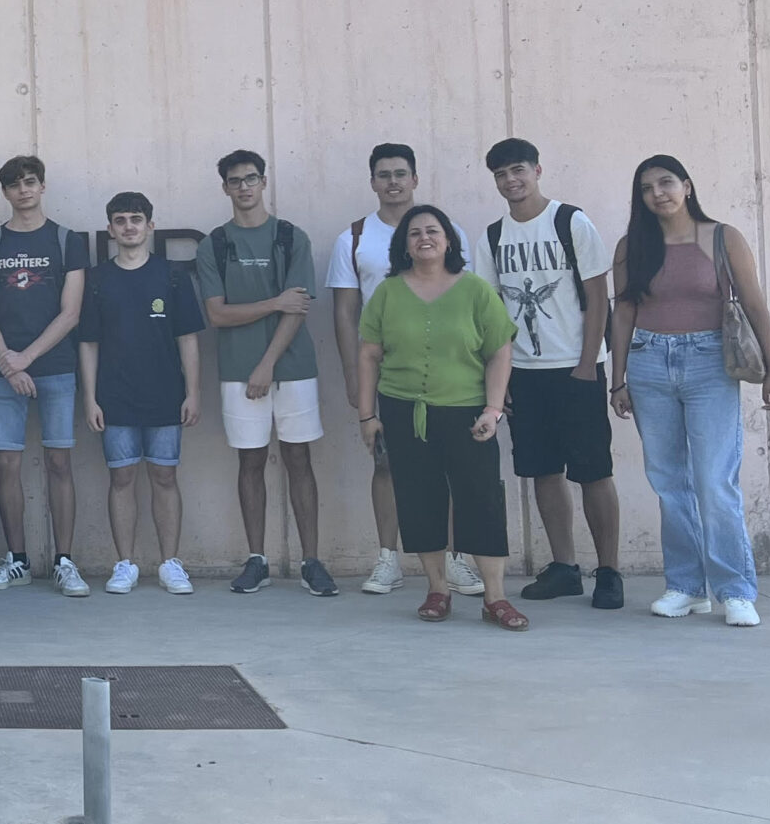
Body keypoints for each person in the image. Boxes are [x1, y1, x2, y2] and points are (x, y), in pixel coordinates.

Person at [610, 155, 770, 628]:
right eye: (646, 188)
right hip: (648, 363)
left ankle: (735, 590)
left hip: (710, 363)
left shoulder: (723, 237)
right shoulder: (632, 246)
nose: (657, 193)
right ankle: (686, 587)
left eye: (666, 183)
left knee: (714, 480)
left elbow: (753, 304)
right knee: (669, 482)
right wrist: (618, 379)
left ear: (686, 185)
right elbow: (623, 313)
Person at [356, 206, 525, 630]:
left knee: (482, 499)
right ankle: (437, 589)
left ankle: (495, 598)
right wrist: (366, 415)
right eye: (415, 233)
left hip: (468, 412)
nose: (424, 238)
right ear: (404, 245)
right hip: (403, 411)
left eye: (433, 231)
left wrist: (492, 408)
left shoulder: (475, 291)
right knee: (419, 500)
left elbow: (499, 350)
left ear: (449, 241)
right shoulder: (388, 293)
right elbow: (369, 354)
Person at [472, 138, 624, 609]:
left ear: (537, 170)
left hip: (576, 370)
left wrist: (587, 364)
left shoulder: (570, 221)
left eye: (518, 169)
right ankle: (564, 567)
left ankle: (609, 571)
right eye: (500, 174)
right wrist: (498, 383)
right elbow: (490, 314)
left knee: (593, 471)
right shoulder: (493, 237)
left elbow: (599, 296)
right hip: (523, 373)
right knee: (542, 471)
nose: (510, 180)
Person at [327, 145, 480, 600]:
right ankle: (388, 559)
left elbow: (470, 299)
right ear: (372, 182)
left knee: (452, 468)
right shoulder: (353, 237)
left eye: (400, 174)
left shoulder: (446, 232)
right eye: (383, 175)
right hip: (387, 371)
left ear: (415, 179)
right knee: (387, 464)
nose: (392, 182)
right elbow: (344, 313)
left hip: (451, 373)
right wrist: (354, 378)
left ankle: (457, 560)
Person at [195, 151, 335, 597]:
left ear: (264, 182)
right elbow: (217, 314)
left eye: (251, 179)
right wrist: (274, 303)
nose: (244, 187)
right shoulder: (213, 244)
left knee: (299, 459)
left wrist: (268, 363)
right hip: (237, 372)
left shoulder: (291, 237)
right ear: (225, 188)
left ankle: (312, 560)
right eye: (235, 181)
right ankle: (257, 559)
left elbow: (300, 308)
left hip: (291, 370)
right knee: (250, 461)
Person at [0, 156, 89, 594]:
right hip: (4, 369)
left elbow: (71, 312)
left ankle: (64, 560)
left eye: (30, 183)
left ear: (42, 187)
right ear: (5, 192)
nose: (23, 191)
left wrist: (26, 358)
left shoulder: (67, 240)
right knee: (6, 464)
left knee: (60, 461)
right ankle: (17, 559)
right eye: (15, 185)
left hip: (55, 366)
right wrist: (7, 360)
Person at [78, 191, 204, 595]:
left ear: (150, 226)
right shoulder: (97, 280)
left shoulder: (172, 276)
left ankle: (170, 563)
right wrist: (90, 398)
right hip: (114, 397)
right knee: (122, 478)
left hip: (166, 394)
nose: (128, 226)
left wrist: (193, 393)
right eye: (120, 220)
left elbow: (188, 339)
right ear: (110, 230)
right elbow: (88, 343)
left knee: (165, 476)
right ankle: (125, 564)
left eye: (136, 219)